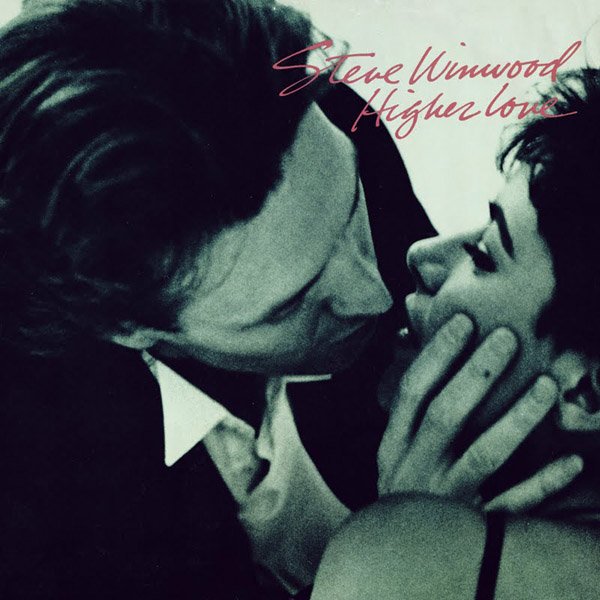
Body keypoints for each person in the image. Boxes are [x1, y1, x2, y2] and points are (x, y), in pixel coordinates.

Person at [0, 1, 579, 598]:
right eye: (291, 304)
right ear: (128, 325)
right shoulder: (32, 482)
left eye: (351, 210)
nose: (379, 293)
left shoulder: (329, 130)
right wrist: (407, 553)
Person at [311, 68, 600, 599]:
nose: (421, 255)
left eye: (485, 254)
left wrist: (406, 537)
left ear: (587, 393)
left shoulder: (388, 564)